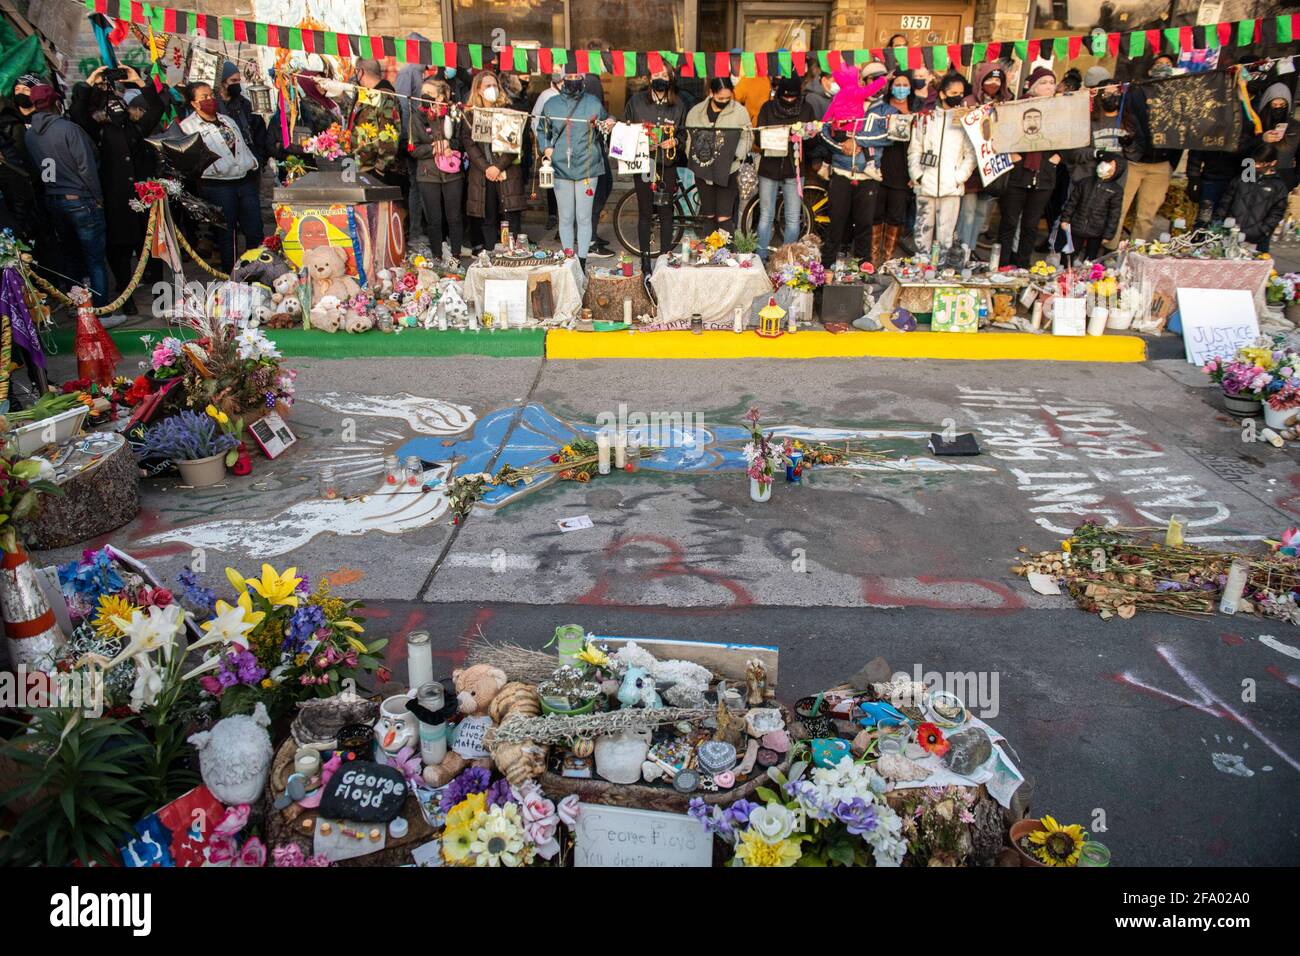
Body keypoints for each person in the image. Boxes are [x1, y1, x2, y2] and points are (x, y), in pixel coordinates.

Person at [23, 83, 116, 312]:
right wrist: (98, 198)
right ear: (56, 102)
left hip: (53, 199)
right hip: (80, 199)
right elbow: (86, 167)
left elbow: (37, 168)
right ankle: (100, 310)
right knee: (94, 259)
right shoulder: (68, 129)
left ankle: (76, 305)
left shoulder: (29, 135)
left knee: (70, 256)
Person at [79, 66, 164, 314]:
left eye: (119, 103)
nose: (116, 108)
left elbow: (157, 108)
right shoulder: (99, 131)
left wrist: (138, 82)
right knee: (120, 251)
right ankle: (126, 298)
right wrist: (88, 83)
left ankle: (160, 297)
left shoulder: (136, 128)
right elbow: (78, 115)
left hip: (143, 197)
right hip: (116, 199)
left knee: (151, 249)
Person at [180, 82, 263, 273]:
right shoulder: (188, 127)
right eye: (203, 97)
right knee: (227, 234)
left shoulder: (227, 120)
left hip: (244, 179)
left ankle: (257, 271)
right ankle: (231, 276)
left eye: (211, 95)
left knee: (255, 229)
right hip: (218, 185)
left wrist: (253, 162)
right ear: (193, 103)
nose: (209, 99)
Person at [818, 66, 892, 266]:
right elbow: (824, 131)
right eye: (871, 79)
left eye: (881, 79)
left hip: (867, 176)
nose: (875, 83)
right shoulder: (844, 98)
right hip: (841, 171)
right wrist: (842, 147)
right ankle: (825, 270)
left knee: (864, 226)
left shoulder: (885, 109)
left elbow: (887, 137)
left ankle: (863, 269)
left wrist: (857, 141)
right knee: (836, 223)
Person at [1105, 56, 1179, 249]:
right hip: (1134, 162)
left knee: (1147, 215)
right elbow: (1124, 120)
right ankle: (1109, 249)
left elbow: (1184, 132)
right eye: (1158, 64)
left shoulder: (1179, 97)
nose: (1163, 68)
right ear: (1149, 69)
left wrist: (1172, 162)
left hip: (1161, 165)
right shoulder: (1136, 93)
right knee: (1119, 209)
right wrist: (1129, 149)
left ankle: (1135, 251)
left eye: (1168, 65)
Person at [537, 72, 609, 269]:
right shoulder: (551, 104)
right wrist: (547, 148)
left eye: (577, 75)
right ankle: (569, 259)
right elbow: (542, 129)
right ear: (562, 79)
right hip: (561, 166)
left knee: (584, 217)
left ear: (583, 80)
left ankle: (583, 261)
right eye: (569, 76)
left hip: (588, 166)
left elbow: (606, 120)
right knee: (566, 216)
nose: (573, 79)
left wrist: (608, 124)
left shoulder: (593, 102)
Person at [623, 64, 689, 273]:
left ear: (670, 78)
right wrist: (641, 141)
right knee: (645, 212)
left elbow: (683, 134)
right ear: (649, 77)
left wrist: (675, 143)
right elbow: (625, 130)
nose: (660, 78)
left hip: (667, 165)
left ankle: (664, 261)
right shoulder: (636, 101)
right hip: (644, 163)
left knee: (666, 212)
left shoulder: (678, 104)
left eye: (664, 75)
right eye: (656, 74)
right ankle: (644, 263)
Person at [997, 66, 1062, 268]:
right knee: (1009, 221)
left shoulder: (1060, 108)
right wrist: (1011, 153)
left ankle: (1023, 264)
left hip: (1044, 175)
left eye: (1052, 82)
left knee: (1031, 225)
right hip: (1019, 173)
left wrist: (1059, 156)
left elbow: (1070, 134)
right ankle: (1003, 262)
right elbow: (1002, 132)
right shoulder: (1017, 106)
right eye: (1043, 82)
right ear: (1033, 86)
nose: (1049, 86)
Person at [908, 73, 975, 255]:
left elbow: (971, 155)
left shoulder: (965, 120)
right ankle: (920, 270)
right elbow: (915, 149)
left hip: (951, 187)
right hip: (925, 185)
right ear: (943, 94)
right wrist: (918, 175)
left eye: (961, 93)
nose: (958, 96)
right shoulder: (925, 118)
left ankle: (941, 270)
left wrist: (958, 177)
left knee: (946, 236)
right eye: (954, 92)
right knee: (922, 232)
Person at [754, 75, 818, 261]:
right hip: (769, 169)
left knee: (792, 218)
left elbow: (814, 142)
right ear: (779, 94)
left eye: (793, 97)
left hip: (795, 169)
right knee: (766, 215)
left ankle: (787, 259)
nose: (789, 100)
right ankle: (761, 256)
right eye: (785, 97)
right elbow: (758, 139)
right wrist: (776, 136)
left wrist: (807, 135)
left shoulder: (806, 109)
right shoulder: (767, 108)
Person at [466, 71, 529, 254]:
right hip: (482, 175)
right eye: (487, 86)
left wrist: (498, 166)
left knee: (511, 219)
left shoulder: (508, 110)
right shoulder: (470, 114)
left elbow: (513, 143)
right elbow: (469, 144)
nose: (492, 89)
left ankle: (512, 256)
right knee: (487, 218)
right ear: (478, 90)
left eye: (495, 85)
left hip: (506, 173)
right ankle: (490, 255)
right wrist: (487, 169)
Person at [956, 62, 1012, 254]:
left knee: (981, 212)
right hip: (972, 165)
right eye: (989, 79)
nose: (993, 83)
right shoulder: (969, 101)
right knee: (968, 211)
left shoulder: (1006, 103)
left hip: (991, 166)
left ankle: (971, 249)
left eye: (997, 80)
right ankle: (962, 249)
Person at [685, 77, 753, 235]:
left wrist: (736, 155)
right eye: (720, 98)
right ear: (711, 93)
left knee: (724, 216)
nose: (724, 101)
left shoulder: (739, 111)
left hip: (729, 169)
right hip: (703, 170)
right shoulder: (696, 112)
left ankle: (725, 255)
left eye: (728, 98)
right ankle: (709, 253)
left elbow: (748, 137)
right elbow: (689, 137)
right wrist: (694, 155)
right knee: (708, 214)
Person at [409, 79, 467, 261]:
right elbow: (413, 149)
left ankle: (456, 253)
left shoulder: (454, 114)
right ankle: (437, 255)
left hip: (452, 172)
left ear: (441, 96)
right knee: (433, 219)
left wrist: (450, 145)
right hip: (428, 173)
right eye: (423, 92)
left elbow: (463, 141)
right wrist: (434, 148)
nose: (424, 96)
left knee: (455, 216)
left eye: (429, 93)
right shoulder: (417, 117)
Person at [877, 70, 920, 263]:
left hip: (904, 173)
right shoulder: (881, 108)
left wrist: (916, 173)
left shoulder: (917, 111)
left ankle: (887, 258)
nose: (901, 88)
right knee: (876, 215)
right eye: (897, 84)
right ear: (891, 87)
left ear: (910, 88)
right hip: (880, 169)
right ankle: (873, 258)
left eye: (905, 85)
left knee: (895, 216)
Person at [1214, 144, 1288, 254]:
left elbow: (1277, 212)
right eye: (1255, 162)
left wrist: (1262, 230)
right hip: (1230, 233)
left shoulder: (1278, 186)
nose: (1256, 166)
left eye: (1261, 163)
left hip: (1255, 238)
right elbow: (1226, 201)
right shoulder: (1242, 178)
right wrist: (1218, 223)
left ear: (1272, 163)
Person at [1058, 152, 1125, 262]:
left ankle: (1086, 277)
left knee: (1091, 259)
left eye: (1109, 164)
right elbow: (1072, 202)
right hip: (1077, 226)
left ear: (1116, 170)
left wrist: (1108, 235)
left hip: (1097, 230)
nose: (1105, 165)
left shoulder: (1116, 190)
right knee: (1069, 255)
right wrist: (1065, 219)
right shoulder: (1085, 182)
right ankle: (1064, 273)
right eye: (1104, 162)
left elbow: (1114, 214)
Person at [347, 59, 402, 184]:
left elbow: (390, 135)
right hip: (355, 165)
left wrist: (380, 169)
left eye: (356, 71)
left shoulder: (386, 96)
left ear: (360, 72)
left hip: (373, 171)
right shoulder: (364, 94)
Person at [217, 61, 268, 169]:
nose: (237, 84)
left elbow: (260, 132)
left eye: (238, 80)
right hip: (226, 168)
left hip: (250, 165)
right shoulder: (214, 107)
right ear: (222, 82)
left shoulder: (245, 105)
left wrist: (259, 159)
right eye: (233, 80)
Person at [531, 68, 564, 231]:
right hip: (551, 147)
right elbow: (535, 120)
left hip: (568, 147)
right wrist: (544, 144)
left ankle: (565, 224)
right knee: (553, 183)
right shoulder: (545, 96)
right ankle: (552, 214)